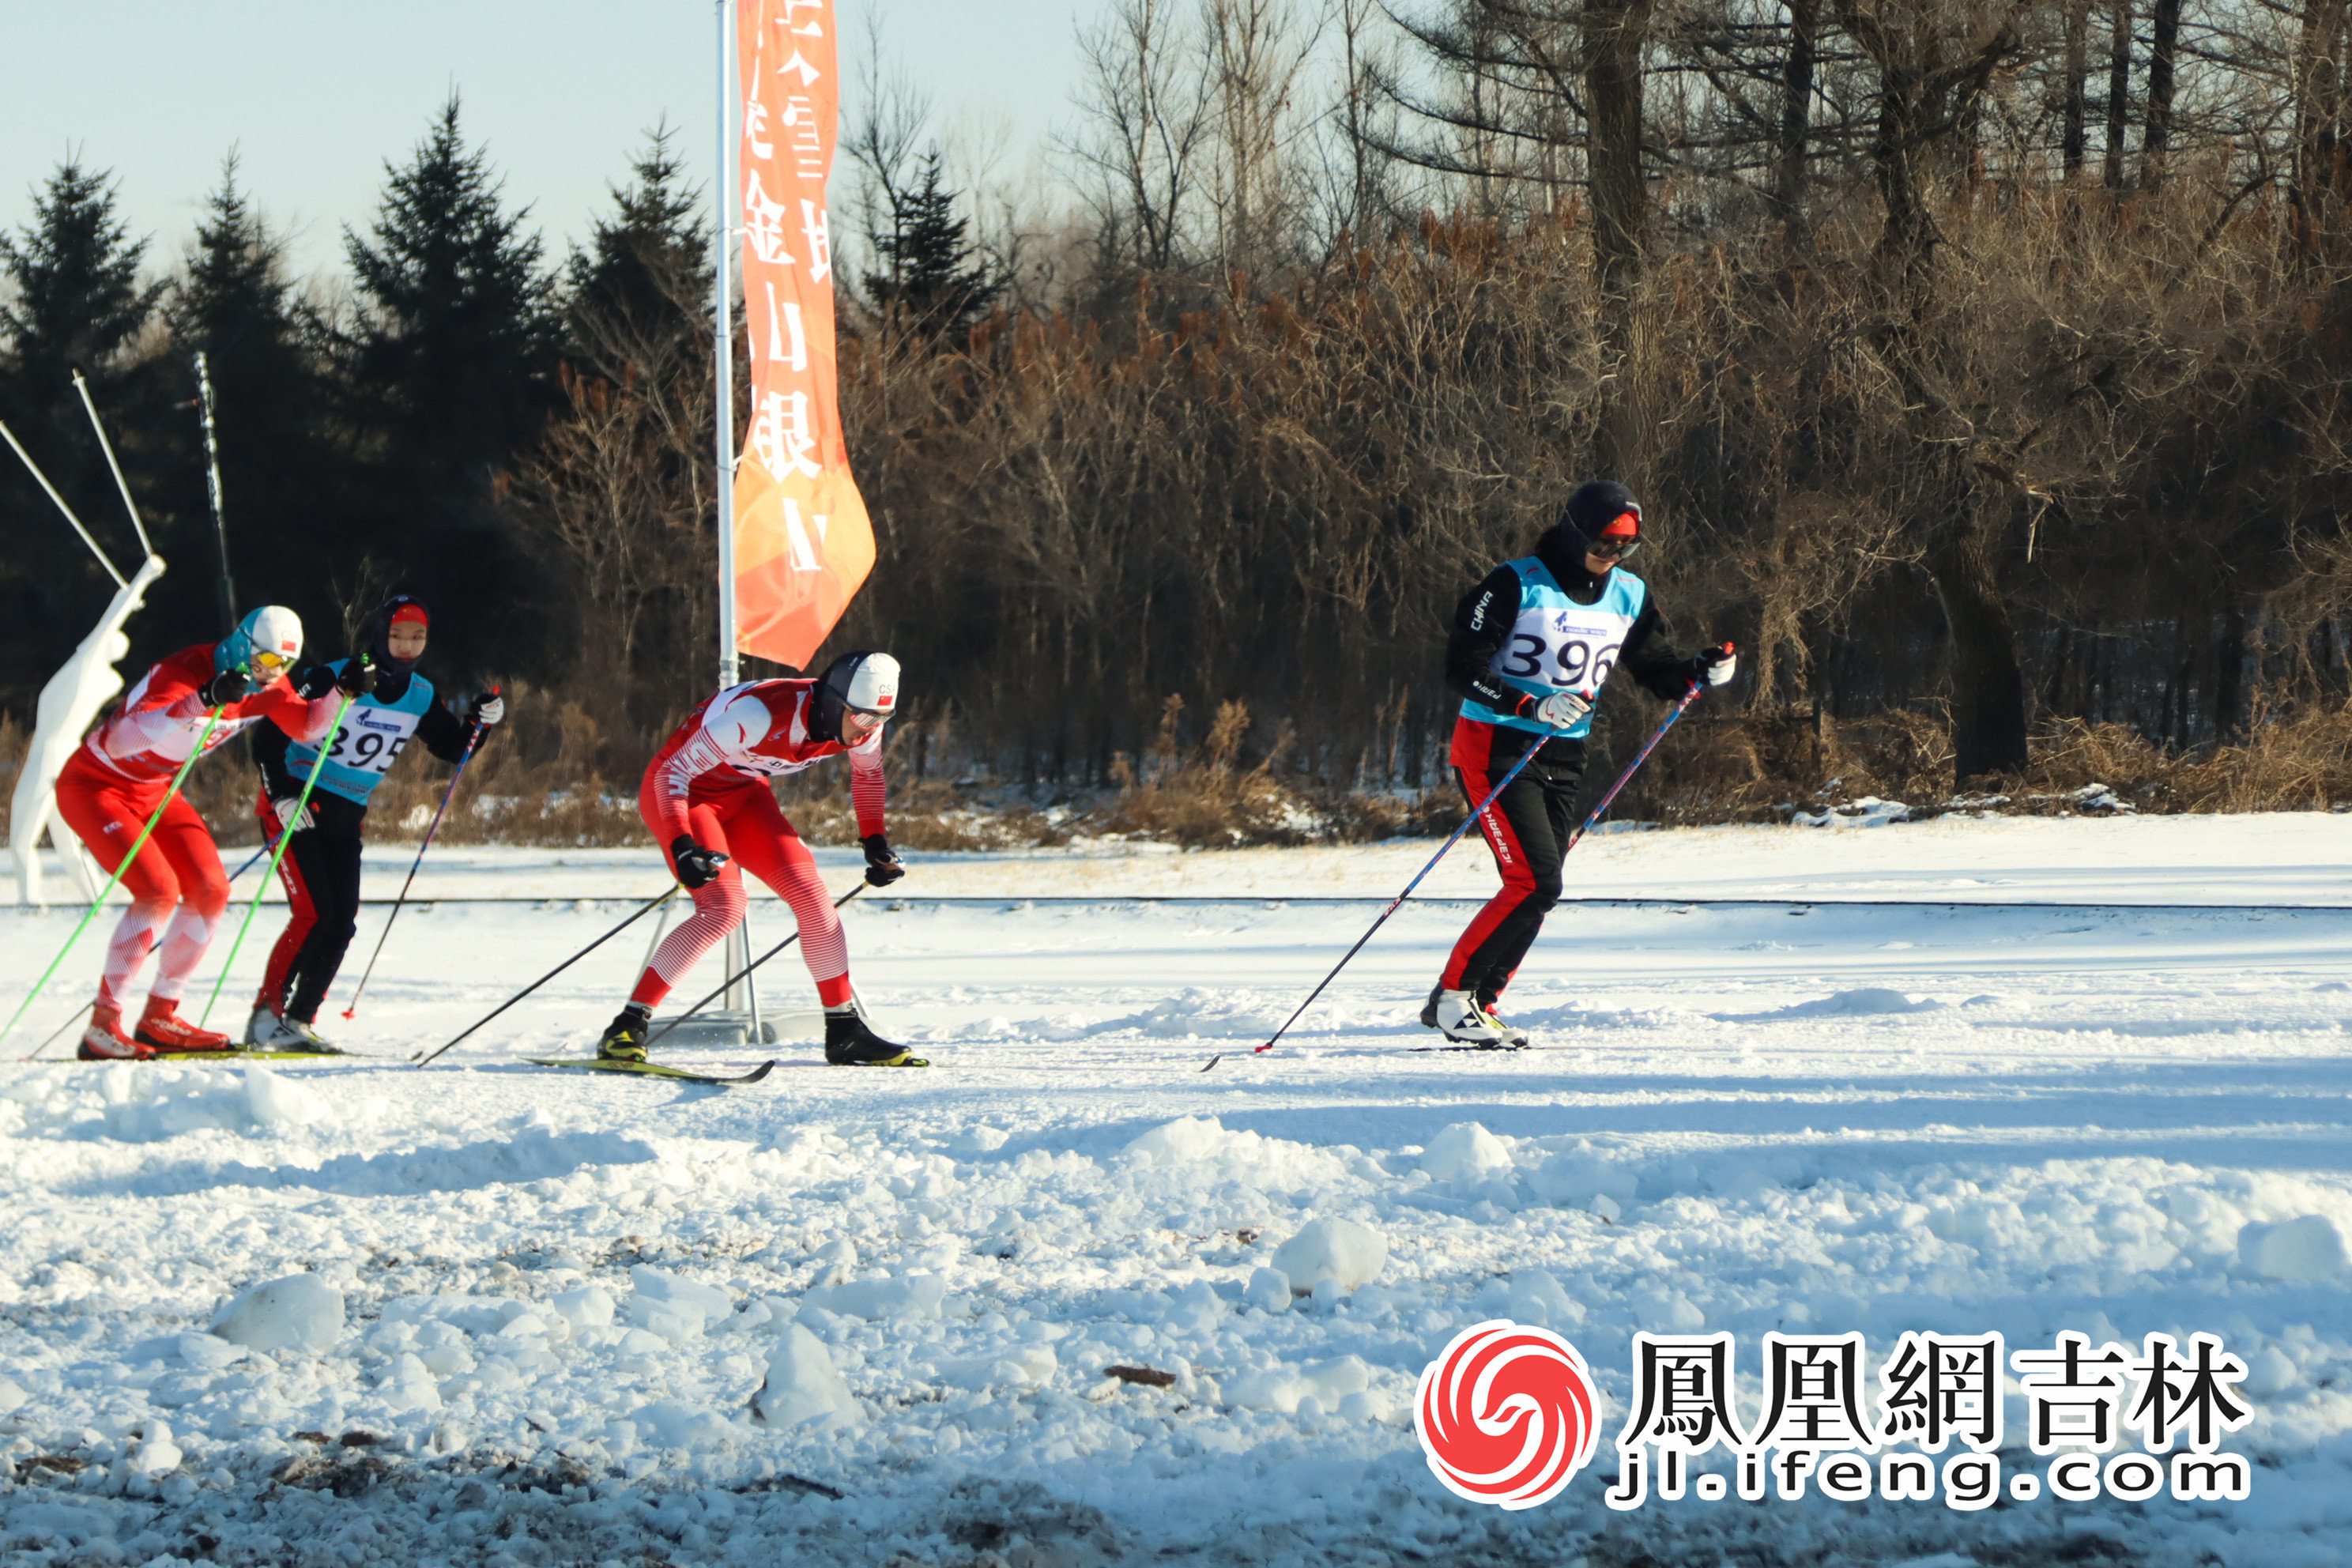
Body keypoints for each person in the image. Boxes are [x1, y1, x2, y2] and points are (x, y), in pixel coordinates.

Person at [1429, 481, 1735, 1046]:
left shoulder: (1629, 595)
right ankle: (1454, 1000)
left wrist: (1700, 671)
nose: (1611, 556)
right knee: (1534, 880)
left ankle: (1479, 999)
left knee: (1542, 885)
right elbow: (1461, 666)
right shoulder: (1515, 583)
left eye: (1626, 548)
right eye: (1602, 542)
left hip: (1566, 752)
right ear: (1573, 531)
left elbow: (1655, 668)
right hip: (1495, 746)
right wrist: (1529, 702)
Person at [51, 606, 358, 1061]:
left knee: (211, 890)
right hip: (97, 785)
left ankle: (160, 1016)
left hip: (156, 790)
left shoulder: (267, 684)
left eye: (285, 666)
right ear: (241, 646)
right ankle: (103, 1025)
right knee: (157, 891)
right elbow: (122, 741)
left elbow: (310, 726)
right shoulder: (183, 672)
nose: (272, 676)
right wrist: (202, 699)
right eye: (266, 662)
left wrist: (342, 694)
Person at [595, 650, 921, 1067]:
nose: (869, 730)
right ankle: (627, 1026)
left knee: (813, 898)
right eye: (862, 719)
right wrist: (681, 845)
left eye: (881, 720)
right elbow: (670, 773)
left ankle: (844, 1031)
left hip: (745, 795)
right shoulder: (759, 715)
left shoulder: (859, 722)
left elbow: (869, 775)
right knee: (724, 909)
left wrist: (875, 842)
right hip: (683, 795)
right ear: (836, 702)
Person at [245, 595, 505, 1050]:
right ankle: (266, 1019)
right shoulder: (336, 676)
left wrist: (481, 723)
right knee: (314, 914)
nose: (406, 646)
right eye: (397, 636)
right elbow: (268, 735)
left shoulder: (420, 694)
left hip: (347, 817)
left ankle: (299, 1021)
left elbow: (452, 748)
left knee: (341, 921)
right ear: (379, 635)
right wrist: (281, 795)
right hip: (300, 804)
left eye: (417, 637)